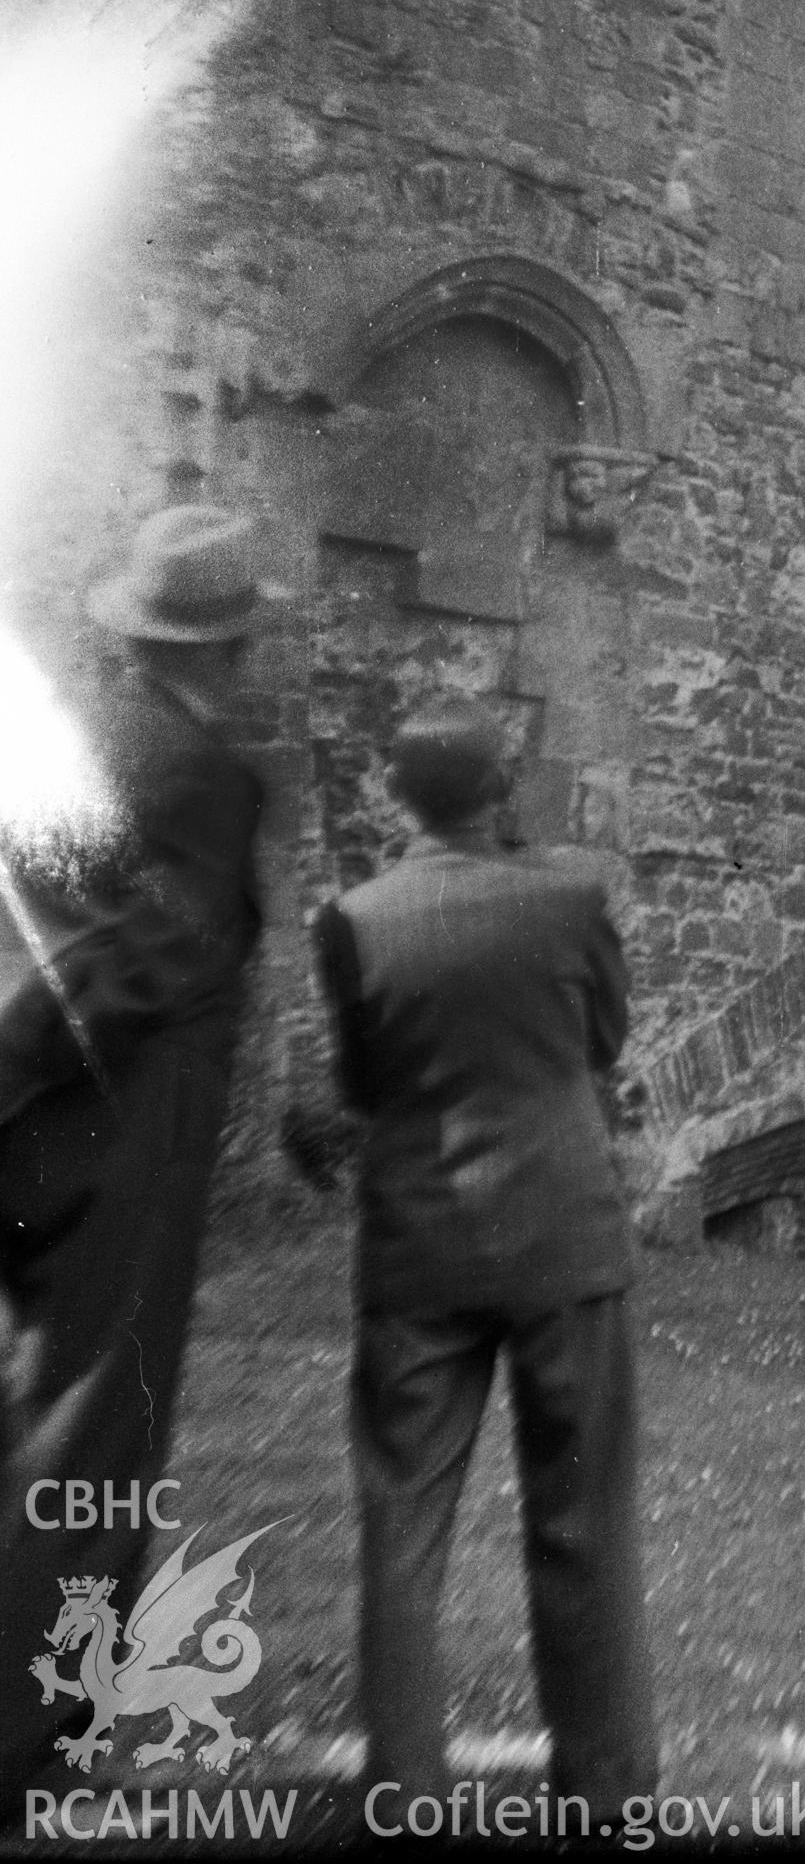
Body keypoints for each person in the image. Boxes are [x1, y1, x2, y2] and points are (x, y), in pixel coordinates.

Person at [310, 702, 655, 1820]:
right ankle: (604, 1788)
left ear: (399, 795)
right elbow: (603, 1040)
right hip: (563, 1231)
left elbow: (362, 1086)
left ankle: (406, 1788)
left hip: (420, 1244)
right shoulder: (569, 900)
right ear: (500, 787)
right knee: (585, 1515)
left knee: (402, 1524)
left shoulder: (354, 917)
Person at [0, 506, 273, 1799]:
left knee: (30, 1399)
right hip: (124, 1116)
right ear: (222, 647)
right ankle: (27, 1731)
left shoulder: (65, 738)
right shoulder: (204, 772)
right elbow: (149, 959)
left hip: (34, 1113)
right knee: (100, 1418)